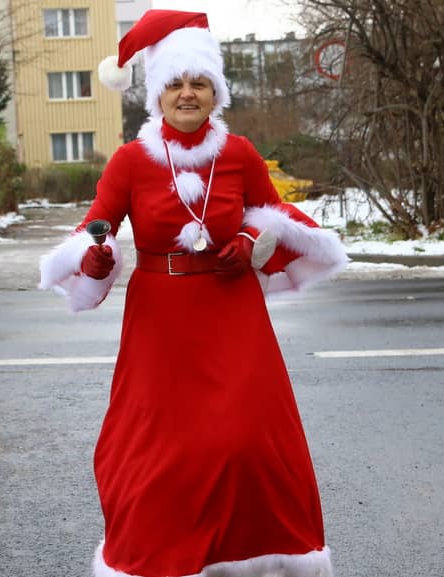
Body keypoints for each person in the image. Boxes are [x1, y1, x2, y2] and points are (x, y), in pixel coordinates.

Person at [39, 9, 347, 577]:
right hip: (160, 320)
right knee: (159, 452)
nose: (187, 93)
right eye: (176, 83)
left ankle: (258, 553)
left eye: (199, 82)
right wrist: (94, 257)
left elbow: (275, 215)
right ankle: (158, 555)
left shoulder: (239, 153)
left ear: (215, 92)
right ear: (157, 94)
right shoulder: (131, 162)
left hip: (233, 313)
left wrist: (251, 239)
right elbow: (94, 226)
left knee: (248, 439)